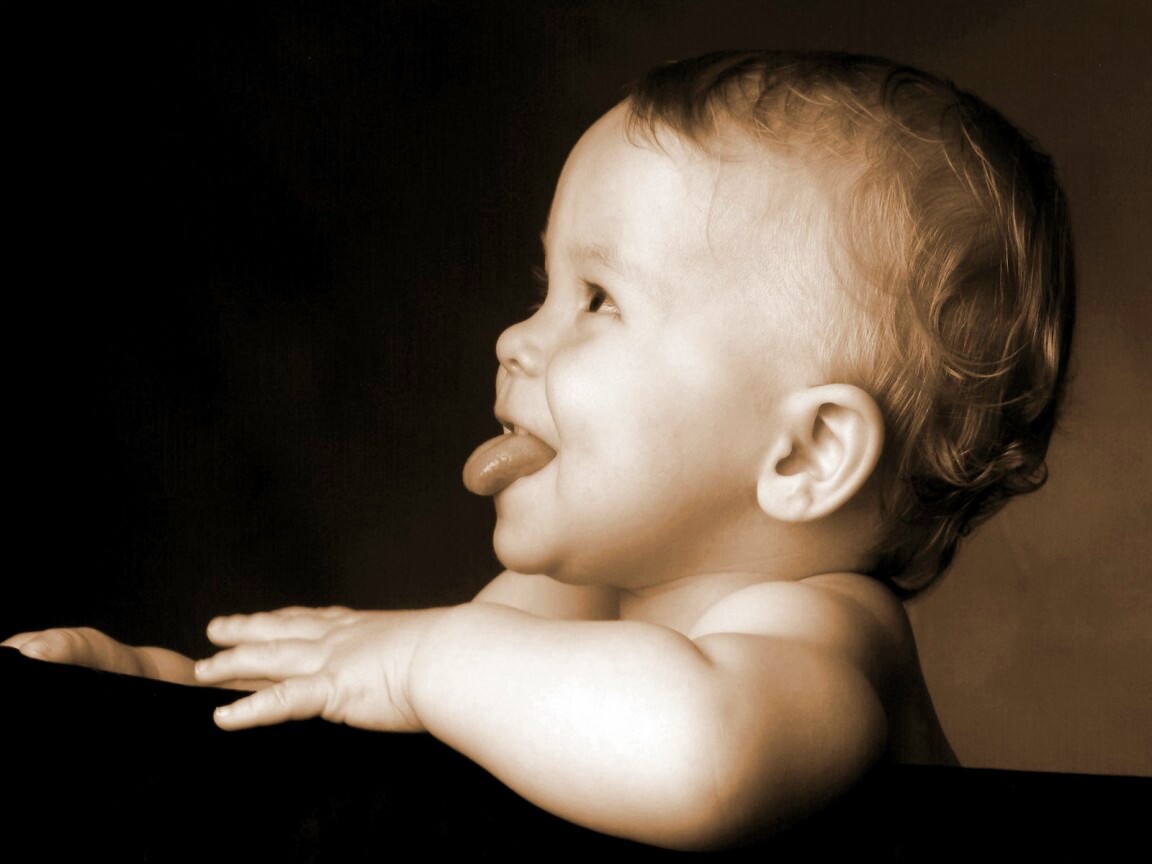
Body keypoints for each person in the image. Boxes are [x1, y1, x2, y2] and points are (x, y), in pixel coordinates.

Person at [3, 51, 1074, 850]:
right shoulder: (558, 606)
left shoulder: (826, 630)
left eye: (597, 300)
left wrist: (424, 659)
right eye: (542, 287)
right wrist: (153, 696)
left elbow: (697, 758)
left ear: (804, 454)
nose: (516, 338)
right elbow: (353, 740)